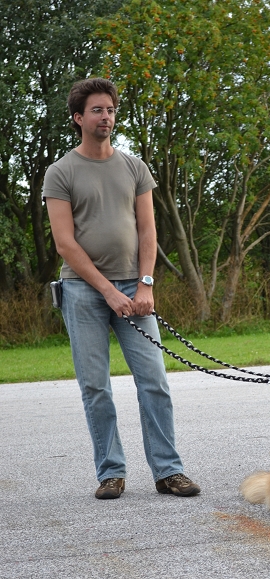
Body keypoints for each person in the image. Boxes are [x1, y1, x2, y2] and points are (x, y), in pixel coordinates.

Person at [43, 78, 200, 500]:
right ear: (78, 118)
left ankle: (168, 471)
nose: (106, 117)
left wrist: (145, 284)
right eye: (97, 110)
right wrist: (107, 292)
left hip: (135, 286)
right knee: (96, 387)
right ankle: (111, 472)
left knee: (154, 381)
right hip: (82, 291)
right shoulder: (60, 172)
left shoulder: (135, 168)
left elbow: (148, 231)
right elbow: (65, 244)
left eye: (110, 110)